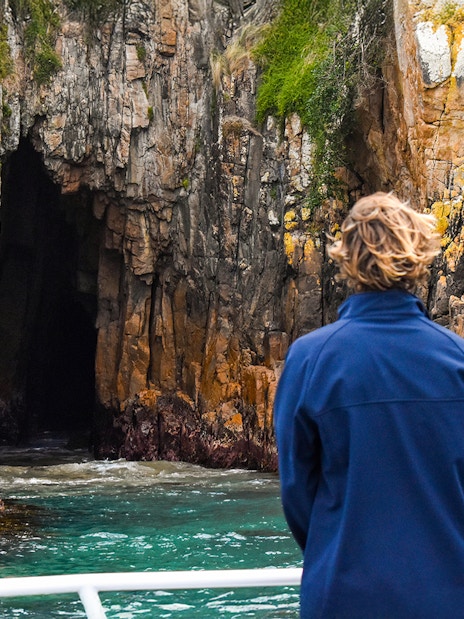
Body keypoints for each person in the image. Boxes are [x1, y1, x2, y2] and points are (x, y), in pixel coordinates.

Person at [274, 192, 464, 618]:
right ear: (418, 255)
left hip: (344, 595)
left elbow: (295, 490)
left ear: (347, 257)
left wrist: (334, 546)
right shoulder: (458, 360)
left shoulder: (310, 359)